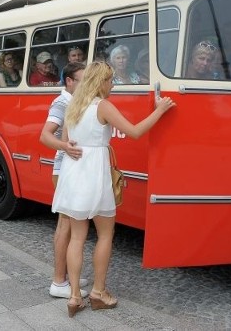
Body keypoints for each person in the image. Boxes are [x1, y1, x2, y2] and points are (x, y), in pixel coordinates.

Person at [52, 61, 175, 317]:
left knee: (77, 237)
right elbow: (135, 132)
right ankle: (98, 292)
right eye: (110, 80)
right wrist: (160, 110)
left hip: (73, 172)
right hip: (95, 173)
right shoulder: (103, 106)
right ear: (101, 82)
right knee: (105, 234)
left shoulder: (74, 104)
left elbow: (65, 141)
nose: (113, 85)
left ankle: (74, 296)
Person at [39, 62, 88, 299]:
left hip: (70, 168)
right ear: (69, 81)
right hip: (64, 167)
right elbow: (45, 135)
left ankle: (67, 274)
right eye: (82, 79)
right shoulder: (62, 103)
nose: (87, 84)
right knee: (65, 224)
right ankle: (59, 282)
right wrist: (64, 146)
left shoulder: (74, 101)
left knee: (68, 223)